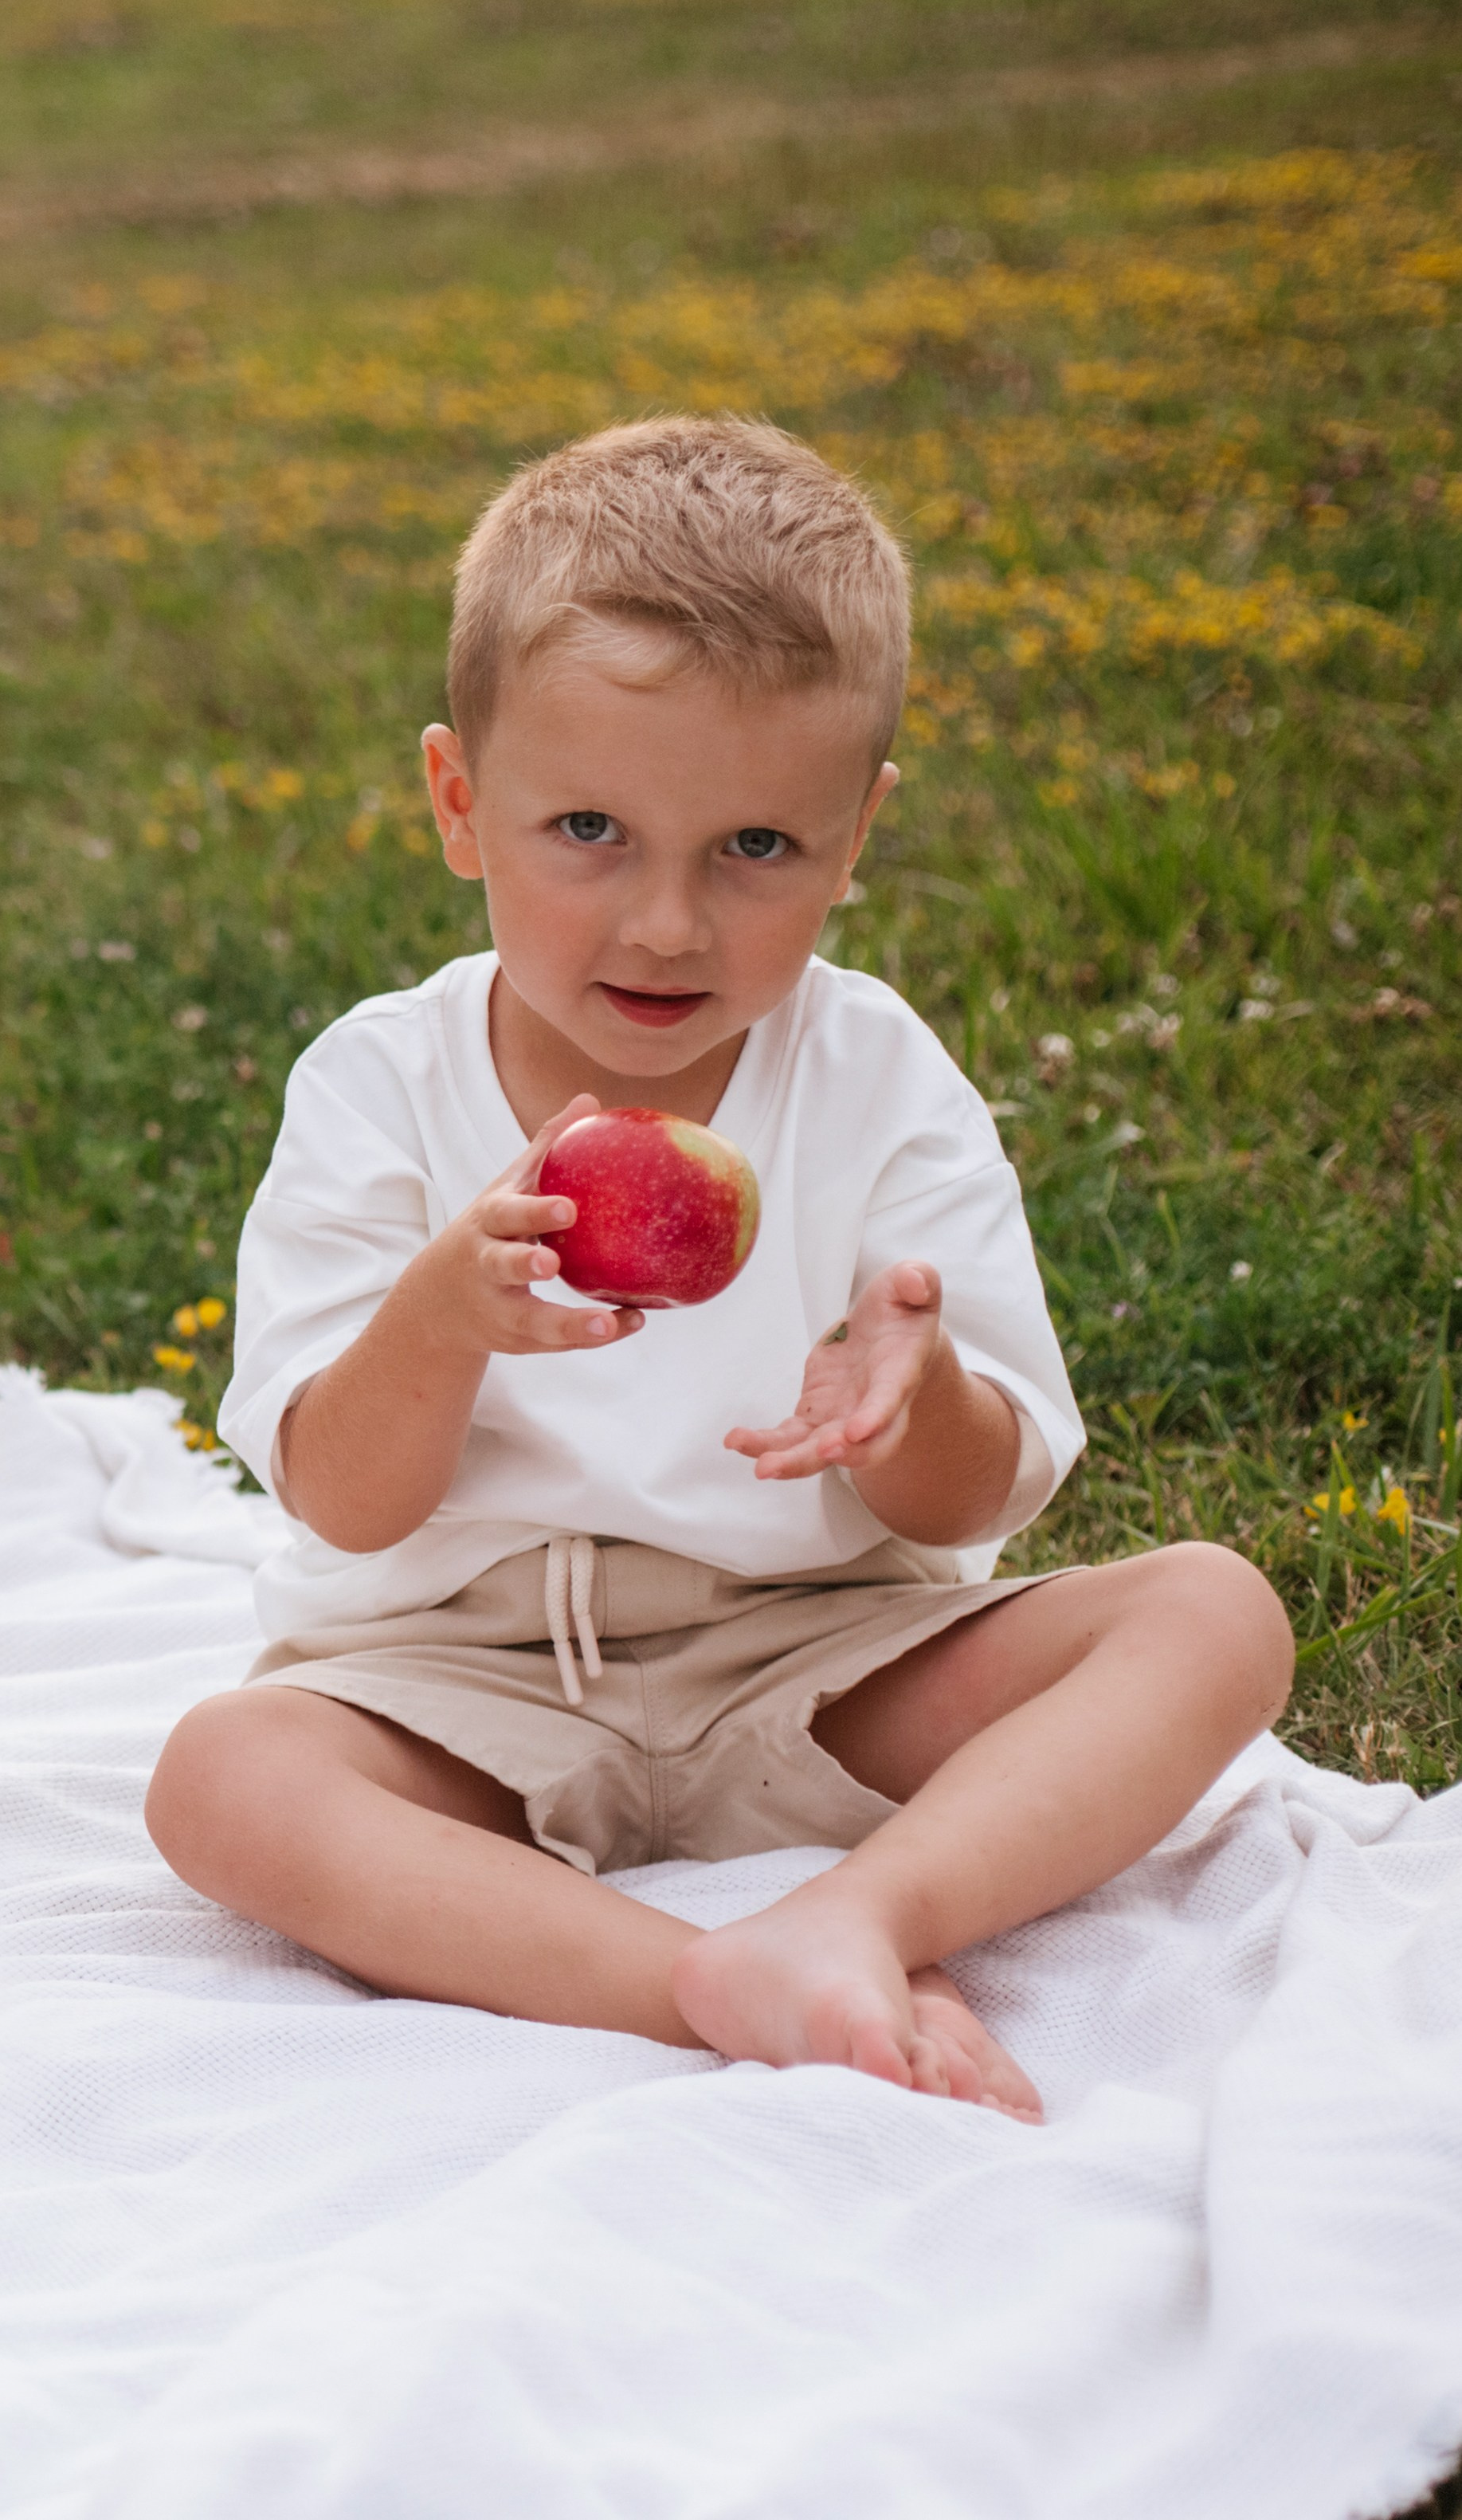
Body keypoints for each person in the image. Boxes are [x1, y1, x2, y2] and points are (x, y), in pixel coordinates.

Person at [145, 418, 1293, 2120]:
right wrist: (440, 1319)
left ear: (854, 835)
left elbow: (971, 1494)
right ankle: (698, 1987)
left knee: (1214, 1610)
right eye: (589, 829)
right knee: (228, 1778)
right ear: (460, 804)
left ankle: (861, 1914)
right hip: (467, 1681)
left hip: (810, 1658)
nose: (669, 924)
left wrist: (911, 1400)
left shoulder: (877, 1079)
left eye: (755, 849)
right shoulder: (380, 1086)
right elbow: (345, 1499)